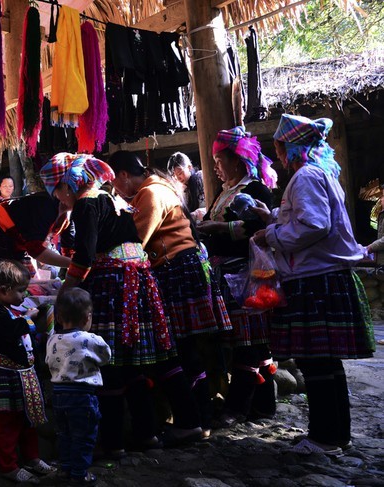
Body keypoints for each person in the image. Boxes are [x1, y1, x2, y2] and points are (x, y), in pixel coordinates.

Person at [39, 153, 203, 456]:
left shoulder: (87, 204)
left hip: (115, 283)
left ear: (67, 185)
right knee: (142, 360)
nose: (58, 199)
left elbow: (85, 257)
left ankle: (113, 442)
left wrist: (66, 291)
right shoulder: (109, 198)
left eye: (57, 192)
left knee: (112, 363)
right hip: (139, 277)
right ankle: (149, 433)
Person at [251, 114, 375, 455]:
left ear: (287, 147)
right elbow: (310, 221)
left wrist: (271, 234)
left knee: (316, 360)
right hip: (324, 276)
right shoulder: (320, 174)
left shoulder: (305, 177)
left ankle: (323, 437)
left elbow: (314, 226)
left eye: (278, 147)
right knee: (326, 361)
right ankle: (337, 434)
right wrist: (273, 219)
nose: (276, 154)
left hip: (315, 279)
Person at [108, 150, 231, 431]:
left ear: (124, 175)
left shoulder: (151, 193)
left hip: (177, 270)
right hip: (181, 268)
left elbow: (137, 240)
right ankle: (199, 417)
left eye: (115, 182)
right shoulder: (158, 188)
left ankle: (194, 420)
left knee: (180, 348)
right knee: (184, 347)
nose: (116, 189)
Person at [196, 127, 278, 427]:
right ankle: (263, 406)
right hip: (224, 275)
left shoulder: (254, 189)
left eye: (219, 160)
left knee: (249, 343)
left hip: (246, 274)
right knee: (247, 342)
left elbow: (259, 227)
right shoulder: (225, 192)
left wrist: (220, 229)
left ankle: (238, 408)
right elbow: (207, 223)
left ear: (237, 159)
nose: (215, 166)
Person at [0, 260, 57, 484]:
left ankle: (32, 458)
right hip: (7, 377)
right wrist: (28, 319)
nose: (25, 295)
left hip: (25, 376)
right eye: (21, 290)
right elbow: (9, 332)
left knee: (28, 421)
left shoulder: (13, 310)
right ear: (3, 291)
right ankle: (9, 466)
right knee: (6, 424)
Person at [46, 288, 111, 486]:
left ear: (58, 317)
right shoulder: (90, 339)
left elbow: (48, 361)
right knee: (84, 436)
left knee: (64, 434)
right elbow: (106, 357)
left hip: (58, 395)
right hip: (82, 397)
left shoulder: (53, 339)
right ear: (87, 318)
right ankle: (79, 474)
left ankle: (65, 469)